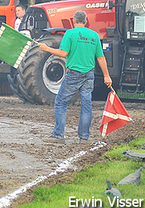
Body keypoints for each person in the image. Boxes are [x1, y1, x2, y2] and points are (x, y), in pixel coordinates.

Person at [38, 10, 112, 144]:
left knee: (61, 103)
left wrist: (47, 48)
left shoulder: (70, 33)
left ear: (73, 21)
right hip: (89, 74)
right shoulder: (94, 36)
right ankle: (84, 137)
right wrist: (107, 76)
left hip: (73, 74)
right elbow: (100, 58)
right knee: (86, 105)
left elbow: (63, 53)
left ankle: (58, 135)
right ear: (86, 21)